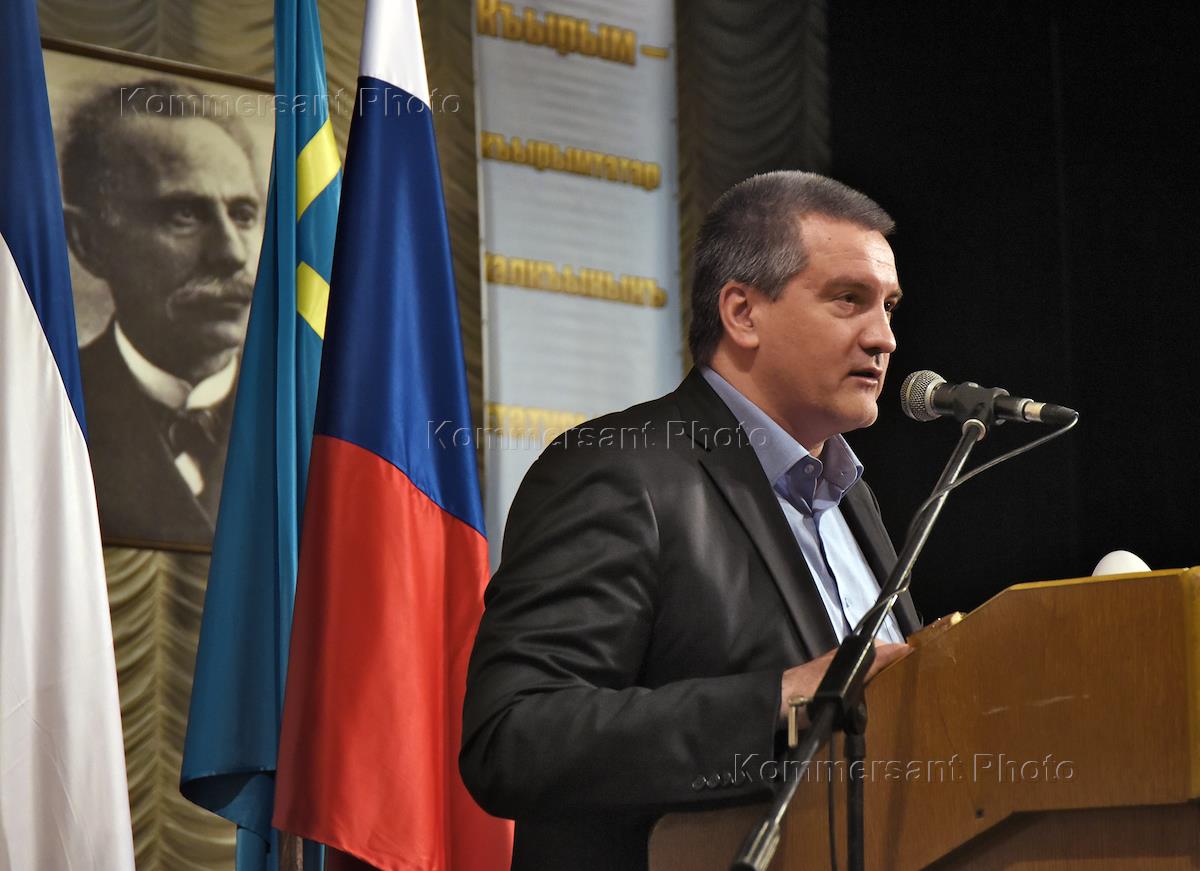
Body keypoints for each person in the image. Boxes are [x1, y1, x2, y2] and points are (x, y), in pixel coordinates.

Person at [460, 171, 921, 870]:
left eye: (888, 306)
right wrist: (779, 700)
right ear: (742, 313)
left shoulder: (852, 497)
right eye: (848, 300)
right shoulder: (617, 471)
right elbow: (514, 738)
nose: (884, 337)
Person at [62, 79, 262, 545]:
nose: (231, 254)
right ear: (88, 243)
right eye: (184, 216)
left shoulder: (314, 424)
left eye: (243, 214)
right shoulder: (53, 408)